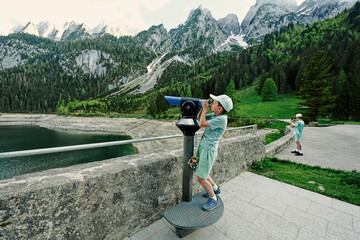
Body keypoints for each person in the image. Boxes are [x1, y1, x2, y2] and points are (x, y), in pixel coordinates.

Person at [196, 94, 233, 211]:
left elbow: (201, 124)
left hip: (208, 150)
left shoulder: (220, 119)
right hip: (205, 147)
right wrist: (203, 108)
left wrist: (206, 109)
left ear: (220, 108)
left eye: (214, 102)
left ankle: (213, 199)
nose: (211, 103)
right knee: (204, 171)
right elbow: (199, 118)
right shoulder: (215, 115)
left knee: (200, 177)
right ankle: (215, 188)